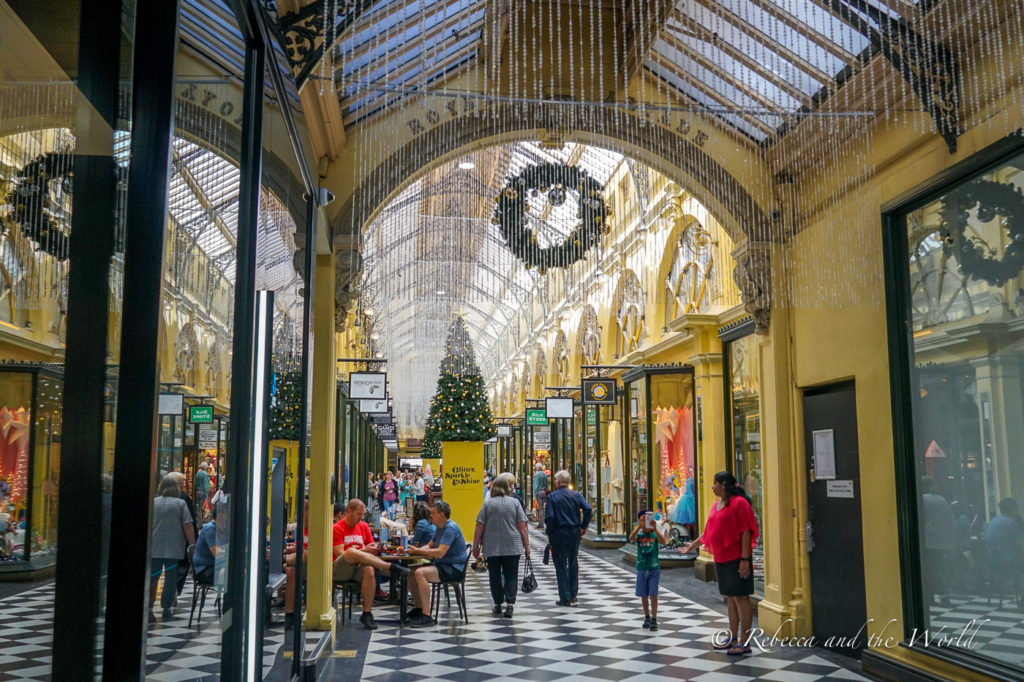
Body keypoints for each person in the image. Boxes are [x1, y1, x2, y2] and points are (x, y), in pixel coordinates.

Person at [680, 471, 759, 655]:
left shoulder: (740, 504)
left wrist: (745, 559)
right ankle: (732, 637)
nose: (712, 487)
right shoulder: (717, 505)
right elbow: (708, 531)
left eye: (715, 483)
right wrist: (692, 546)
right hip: (722, 558)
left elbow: (747, 531)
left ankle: (744, 641)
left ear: (724, 484)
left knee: (741, 597)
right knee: (731, 597)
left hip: (736, 558)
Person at [332, 498, 410, 630]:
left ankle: (367, 613)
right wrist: (364, 550)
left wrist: (376, 549)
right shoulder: (337, 528)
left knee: (369, 569)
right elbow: (340, 554)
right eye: (359, 514)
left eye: (363, 514)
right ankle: (390, 568)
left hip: (358, 568)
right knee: (351, 552)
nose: (362, 517)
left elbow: (370, 546)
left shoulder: (363, 526)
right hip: (341, 568)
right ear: (348, 512)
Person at [473, 477, 529, 618]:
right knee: (511, 574)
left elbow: (480, 525)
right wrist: (527, 545)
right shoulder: (515, 503)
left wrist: (475, 546)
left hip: (492, 546)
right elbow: (522, 526)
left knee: (494, 575)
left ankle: (498, 603)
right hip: (512, 545)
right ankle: (510, 604)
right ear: (507, 488)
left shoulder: (487, 504)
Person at [406, 501, 468, 627]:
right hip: (443, 566)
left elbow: (440, 553)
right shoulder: (440, 528)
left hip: (454, 568)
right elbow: (429, 545)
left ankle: (427, 615)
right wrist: (415, 551)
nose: (430, 516)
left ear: (442, 514)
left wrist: (417, 550)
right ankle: (419, 608)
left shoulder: (450, 528)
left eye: (433, 513)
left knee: (419, 573)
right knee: (410, 572)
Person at [149, 475, 196, 622]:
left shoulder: (153, 503)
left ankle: (149, 607)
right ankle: (166, 608)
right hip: (173, 547)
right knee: (170, 579)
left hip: (154, 547)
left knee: (153, 577)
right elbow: (188, 526)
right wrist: (192, 545)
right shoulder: (180, 504)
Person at [544, 470, 592, 606]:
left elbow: (549, 517)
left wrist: (550, 531)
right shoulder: (577, 495)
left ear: (558, 482)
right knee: (573, 562)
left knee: (560, 565)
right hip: (573, 532)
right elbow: (588, 509)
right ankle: (573, 595)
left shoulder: (552, 497)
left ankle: (564, 596)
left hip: (558, 532)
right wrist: (583, 526)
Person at [629, 509, 669, 631]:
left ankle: (654, 618)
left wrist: (655, 528)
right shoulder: (640, 536)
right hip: (642, 568)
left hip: (654, 569)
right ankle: (646, 616)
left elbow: (664, 541)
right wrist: (638, 527)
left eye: (646, 520)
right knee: (644, 594)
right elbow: (631, 538)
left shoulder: (654, 535)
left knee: (653, 594)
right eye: (642, 520)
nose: (645, 523)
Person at [920, 476, 956, 607]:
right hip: (942, 542)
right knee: (937, 569)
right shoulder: (941, 499)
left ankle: (937, 596)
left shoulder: (923, 499)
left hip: (929, 541)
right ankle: (940, 595)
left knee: (931, 570)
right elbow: (950, 520)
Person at [192, 502, 228, 585]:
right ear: (221, 515)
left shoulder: (221, 529)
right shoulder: (210, 529)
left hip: (212, 568)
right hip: (204, 570)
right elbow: (218, 554)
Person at [533, 463, 549, 529]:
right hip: (544, 492)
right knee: (543, 507)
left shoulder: (536, 475)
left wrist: (535, 494)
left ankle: (541, 523)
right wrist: (545, 490)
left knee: (541, 508)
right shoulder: (544, 474)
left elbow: (535, 485)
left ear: (536, 468)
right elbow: (546, 483)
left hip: (539, 492)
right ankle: (543, 522)